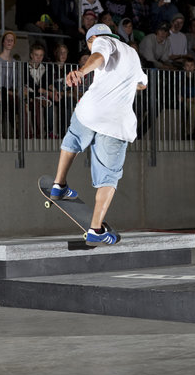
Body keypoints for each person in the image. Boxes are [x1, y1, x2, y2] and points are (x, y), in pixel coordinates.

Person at [50, 23, 148, 246]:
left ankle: (59, 184)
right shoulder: (132, 53)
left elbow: (99, 56)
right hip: (116, 123)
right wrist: (123, 81)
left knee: (73, 138)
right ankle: (95, 229)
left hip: (91, 111)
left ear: (92, 39)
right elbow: (142, 84)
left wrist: (81, 71)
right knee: (108, 177)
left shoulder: (101, 40)